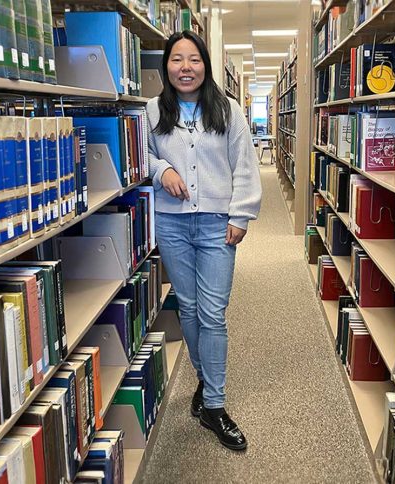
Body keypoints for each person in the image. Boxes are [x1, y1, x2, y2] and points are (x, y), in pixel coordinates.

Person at [146, 30, 262, 451]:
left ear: (205, 65)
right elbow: (140, 156)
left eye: (193, 60)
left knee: (213, 313)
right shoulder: (150, 111)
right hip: (172, 224)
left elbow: (245, 165)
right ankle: (205, 384)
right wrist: (162, 171)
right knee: (190, 309)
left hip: (217, 224)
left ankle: (213, 403)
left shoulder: (227, 110)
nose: (185, 68)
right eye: (177, 60)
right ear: (166, 67)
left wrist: (242, 213)